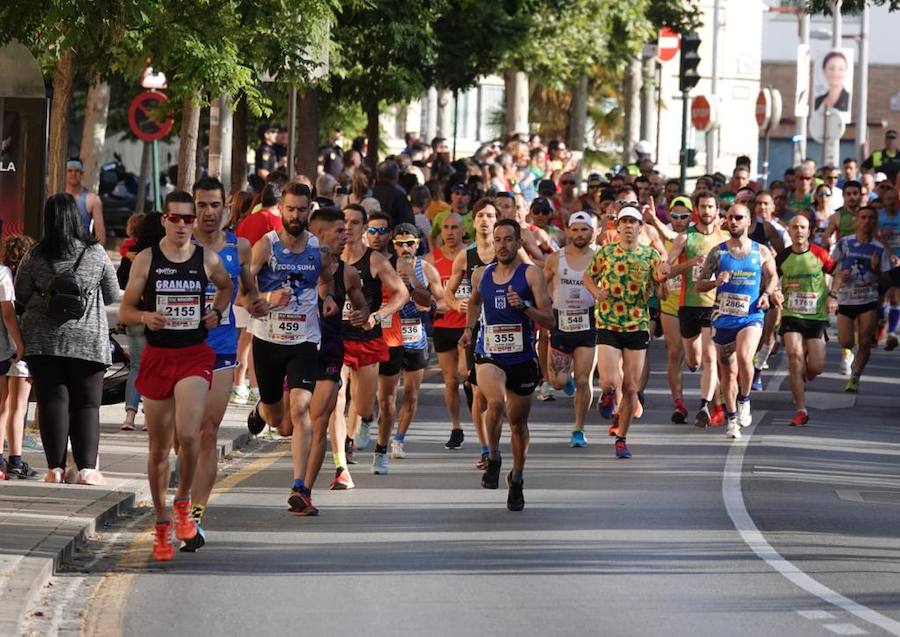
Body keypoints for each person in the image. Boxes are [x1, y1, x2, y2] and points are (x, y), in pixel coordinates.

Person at [119, 190, 233, 561]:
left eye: (189, 219)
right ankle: (161, 522)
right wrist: (145, 318)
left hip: (194, 356)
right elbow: (126, 309)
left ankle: (183, 504)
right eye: (177, 218)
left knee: (188, 435)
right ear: (165, 220)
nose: (184, 224)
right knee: (157, 449)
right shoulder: (148, 260)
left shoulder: (207, 258)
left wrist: (216, 312)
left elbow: (226, 286)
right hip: (158, 356)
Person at [242, 183, 337, 516]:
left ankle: (300, 487)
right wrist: (266, 299)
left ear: (310, 210)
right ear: (280, 210)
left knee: (300, 409)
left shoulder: (318, 251)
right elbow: (242, 293)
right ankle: (261, 412)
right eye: (290, 209)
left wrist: (327, 299)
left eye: (302, 209)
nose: (296, 215)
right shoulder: (264, 247)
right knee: (278, 418)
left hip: (304, 341)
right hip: (267, 339)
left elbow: (326, 279)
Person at [15, 194, 120, 485]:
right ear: (76, 217)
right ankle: (87, 470)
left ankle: (55, 470)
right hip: (88, 339)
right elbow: (112, 293)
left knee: (52, 401)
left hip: (43, 340)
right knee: (87, 404)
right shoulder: (95, 253)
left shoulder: (36, 254)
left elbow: (20, 294)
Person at [181, 177, 260, 551]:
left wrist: (265, 302)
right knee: (185, 438)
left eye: (215, 205)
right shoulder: (177, 245)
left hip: (222, 348)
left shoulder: (239, 247)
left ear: (226, 206)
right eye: (201, 205)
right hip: (180, 348)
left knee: (208, 431)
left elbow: (249, 297)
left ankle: (195, 516)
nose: (209, 213)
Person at [459, 219, 555, 511]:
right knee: (495, 402)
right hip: (489, 353)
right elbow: (474, 303)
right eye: (498, 239)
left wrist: (524, 307)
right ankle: (493, 456)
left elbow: (550, 320)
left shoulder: (531, 275)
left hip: (522, 357)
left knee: (518, 424)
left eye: (508, 239)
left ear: (518, 243)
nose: (502, 245)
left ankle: (518, 477)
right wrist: (468, 328)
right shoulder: (481, 274)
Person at [583, 206, 666, 458]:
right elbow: (588, 277)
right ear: (617, 227)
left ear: (641, 228)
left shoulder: (651, 256)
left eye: (634, 222)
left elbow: (662, 293)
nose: (629, 226)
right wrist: (597, 293)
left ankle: (622, 437)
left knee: (631, 387)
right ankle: (607, 395)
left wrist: (663, 284)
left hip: (637, 325)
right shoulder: (606, 252)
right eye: (624, 222)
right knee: (609, 380)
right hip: (608, 321)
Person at [695, 204, 778, 440]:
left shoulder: (761, 252)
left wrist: (766, 294)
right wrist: (715, 283)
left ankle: (745, 400)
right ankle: (732, 419)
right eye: (729, 217)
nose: (732, 221)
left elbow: (773, 277)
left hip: (751, 315)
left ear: (748, 222)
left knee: (744, 357)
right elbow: (699, 284)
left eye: (738, 217)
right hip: (723, 318)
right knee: (728, 373)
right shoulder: (718, 253)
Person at [334, 206, 408, 467]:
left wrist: (376, 316)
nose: (348, 227)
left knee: (363, 405)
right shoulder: (328, 257)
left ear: (363, 228)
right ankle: (342, 452)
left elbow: (401, 293)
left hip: (367, 338)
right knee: (338, 396)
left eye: (355, 222)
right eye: (344, 221)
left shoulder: (375, 260)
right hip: (337, 338)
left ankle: (364, 422)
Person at [307, 207, 369, 491]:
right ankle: (264, 409)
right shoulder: (298, 267)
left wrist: (361, 314)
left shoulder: (349, 273)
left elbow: (362, 306)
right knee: (284, 422)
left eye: (348, 230)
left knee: (333, 408)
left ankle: (338, 468)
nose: (346, 237)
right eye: (340, 231)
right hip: (298, 349)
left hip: (332, 349)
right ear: (319, 235)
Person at [375, 224, 444, 471]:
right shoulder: (384, 267)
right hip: (389, 336)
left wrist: (412, 286)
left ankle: (399, 439)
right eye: (399, 244)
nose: (404, 249)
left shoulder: (427, 270)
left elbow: (439, 301)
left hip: (416, 335)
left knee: (411, 396)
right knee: (386, 398)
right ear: (392, 244)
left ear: (418, 243)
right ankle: (382, 439)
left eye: (409, 243)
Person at [666, 192, 730, 428]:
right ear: (696, 209)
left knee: (710, 358)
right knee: (693, 360)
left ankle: (706, 405)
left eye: (711, 207)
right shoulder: (684, 238)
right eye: (702, 207)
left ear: (717, 209)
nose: (706, 211)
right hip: (688, 305)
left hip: (714, 304)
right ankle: (709, 402)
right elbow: (669, 270)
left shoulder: (724, 238)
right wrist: (689, 264)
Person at [775, 216, 838, 426]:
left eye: (803, 227)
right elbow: (770, 279)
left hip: (816, 317)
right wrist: (773, 292)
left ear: (809, 231)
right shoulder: (782, 257)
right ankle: (801, 409)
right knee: (794, 357)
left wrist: (833, 295)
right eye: (794, 227)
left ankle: (805, 375)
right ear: (789, 231)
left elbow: (837, 272)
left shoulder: (819, 253)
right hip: (791, 314)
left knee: (816, 366)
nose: (799, 231)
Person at [544, 212, 597, 447]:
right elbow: (542, 286)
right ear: (568, 231)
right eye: (575, 229)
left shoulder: (599, 258)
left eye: (584, 229)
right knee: (557, 381)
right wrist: (546, 312)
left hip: (588, 322)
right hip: (561, 322)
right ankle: (566, 383)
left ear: (592, 232)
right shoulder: (555, 259)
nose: (579, 234)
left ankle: (578, 428)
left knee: (584, 380)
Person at [831, 207, 893, 392]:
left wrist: (875, 270)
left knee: (865, 341)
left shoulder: (879, 248)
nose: (867, 221)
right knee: (846, 341)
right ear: (856, 221)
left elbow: (886, 280)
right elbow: (830, 267)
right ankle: (848, 354)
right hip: (846, 298)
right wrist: (838, 279)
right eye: (863, 217)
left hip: (868, 299)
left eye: (871, 218)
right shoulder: (844, 243)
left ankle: (855, 376)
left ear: (875, 222)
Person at [425, 212, 469, 449]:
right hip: (443, 325)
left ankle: (478, 411)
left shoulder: (471, 256)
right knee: (450, 381)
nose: (450, 232)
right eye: (446, 228)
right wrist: (436, 304)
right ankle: (456, 427)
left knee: (467, 374)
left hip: (466, 325)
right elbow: (424, 295)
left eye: (455, 228)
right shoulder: (431, 260)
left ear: (464, 230)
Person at [120, 213, 166, 431]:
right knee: (155, 368)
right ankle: (149, 418)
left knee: (137, 367)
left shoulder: (132, 255)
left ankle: (129, 417)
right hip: (157, 317)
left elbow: (119, 281)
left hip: (135, 315)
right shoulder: (163, 255)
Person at [655, 196, 693, 423]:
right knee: (674, 352)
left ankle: (715, 397)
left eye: (684, 216)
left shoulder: (698, 236)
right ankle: (678, 402)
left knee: (696, 358)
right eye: (675, 216)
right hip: (670, 302)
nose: (679, 221)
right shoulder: (663, 236)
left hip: (696, 302)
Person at [0, 235, 29, 479]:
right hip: (17, 350)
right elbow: (9, 314)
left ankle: (0, 458)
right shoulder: (23, 286)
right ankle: (16, 459)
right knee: (18, 407)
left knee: (2, 407)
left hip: (2, 349)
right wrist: (20, 344)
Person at [64, 159, 105, 244]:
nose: (73, 174)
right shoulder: (55, 195)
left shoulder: (93, 199)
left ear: (82, 174)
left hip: (82, 251)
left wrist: (98, 255)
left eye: (77, 171)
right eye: (70, 170)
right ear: (65, 173)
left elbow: (100, 232)